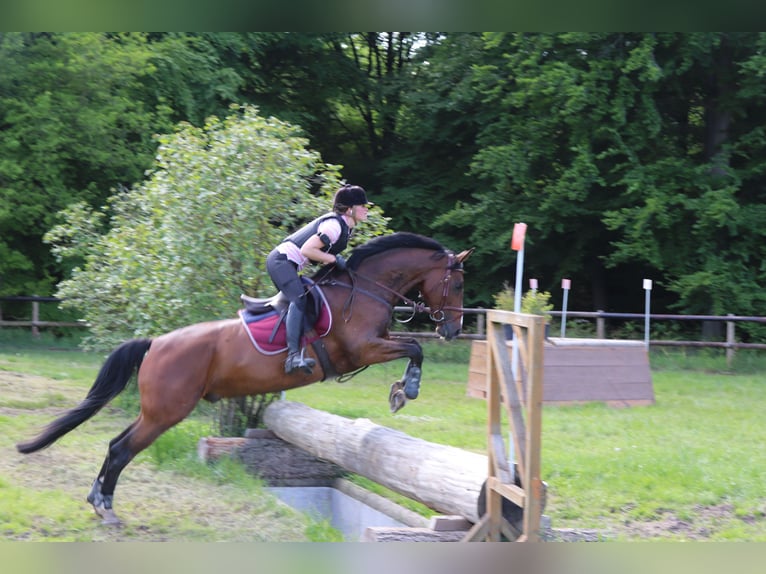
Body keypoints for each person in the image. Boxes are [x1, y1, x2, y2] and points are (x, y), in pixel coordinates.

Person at [266, 184, 372, 374]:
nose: (366, 209)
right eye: (362, 205)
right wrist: (333, 259)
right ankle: (292, 357)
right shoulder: (333, 226)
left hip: (290, 264)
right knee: (299, 299)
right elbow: (307, 250)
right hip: (281, 261)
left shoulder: (346, 228)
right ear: (349, 210)